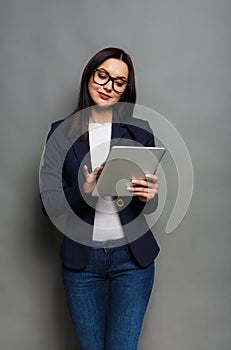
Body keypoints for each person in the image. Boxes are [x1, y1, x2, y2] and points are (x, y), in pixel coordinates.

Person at [40, 47, 160, 350]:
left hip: (132, 261)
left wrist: (148, 195)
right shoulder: (60, 133)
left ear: (126, 89)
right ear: (89, 76)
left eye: (119, 82)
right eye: (102, 75)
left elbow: (149, 205)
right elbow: (49, 205)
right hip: (83, 262)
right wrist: (86, 192)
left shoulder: (140, 132)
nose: (108, 86)